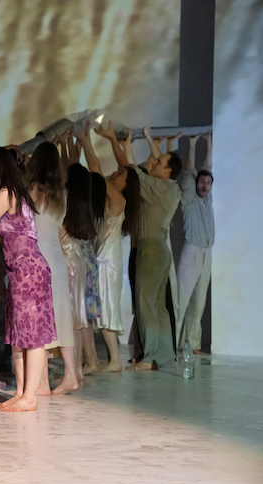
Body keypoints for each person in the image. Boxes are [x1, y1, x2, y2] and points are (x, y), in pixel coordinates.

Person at [0, 147, 58, 412]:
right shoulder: (13, 191)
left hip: (28, 270)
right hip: (20, 272)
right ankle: (23, 392)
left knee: (32, 336)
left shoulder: (7, 194)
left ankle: (30, 397)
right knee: (19, 335)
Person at [99, 126, 182, 370]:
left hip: (151, 250)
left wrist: (115, 141)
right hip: (160, 251)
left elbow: (128, 170)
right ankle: (165, 355)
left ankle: (149, 358)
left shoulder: (159, 187)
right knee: (158, 307)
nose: (154, 162)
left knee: (146, 304)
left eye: (159, 162)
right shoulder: (170, 188)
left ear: (167, 171)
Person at [87, 122, 142, 372]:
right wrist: (110, 139)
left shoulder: (118, 198)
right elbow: (121, 170)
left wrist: (84, 140)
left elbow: (96, 170)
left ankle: (115, 360)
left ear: (124, 184)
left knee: (107, 307)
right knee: (105, 306)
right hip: (107, 258)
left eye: (119, 175)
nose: (115, 174)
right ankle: (111, 359)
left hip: (108, 261)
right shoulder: (117, 197)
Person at [24, 141, 78, 395]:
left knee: (40, 319)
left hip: (40, 255)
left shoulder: (32, 189)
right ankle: (70, 374)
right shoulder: (61, 193)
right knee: (62, 317)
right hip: (56, 255)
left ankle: (43, 382)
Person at [176, 132, 214, 354]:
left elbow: (208, 167)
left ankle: (192, 344)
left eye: (208, 183)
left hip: (206, 254)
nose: (205, 186)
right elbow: (190, 171)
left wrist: (208, 142)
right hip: (191, 253)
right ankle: (173, 344)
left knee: (198, 303)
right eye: (202, 182)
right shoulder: (189, 199)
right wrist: (191, 145)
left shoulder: (208, 198)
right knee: (182, 300)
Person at [60, 163, 98, 381]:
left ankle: (72, 372)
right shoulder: (83, 204)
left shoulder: (65, 201)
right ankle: (77, 370)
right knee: (78, 318)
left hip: (67, 262)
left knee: (71, 320)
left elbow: (57, 234)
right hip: (79, 262)